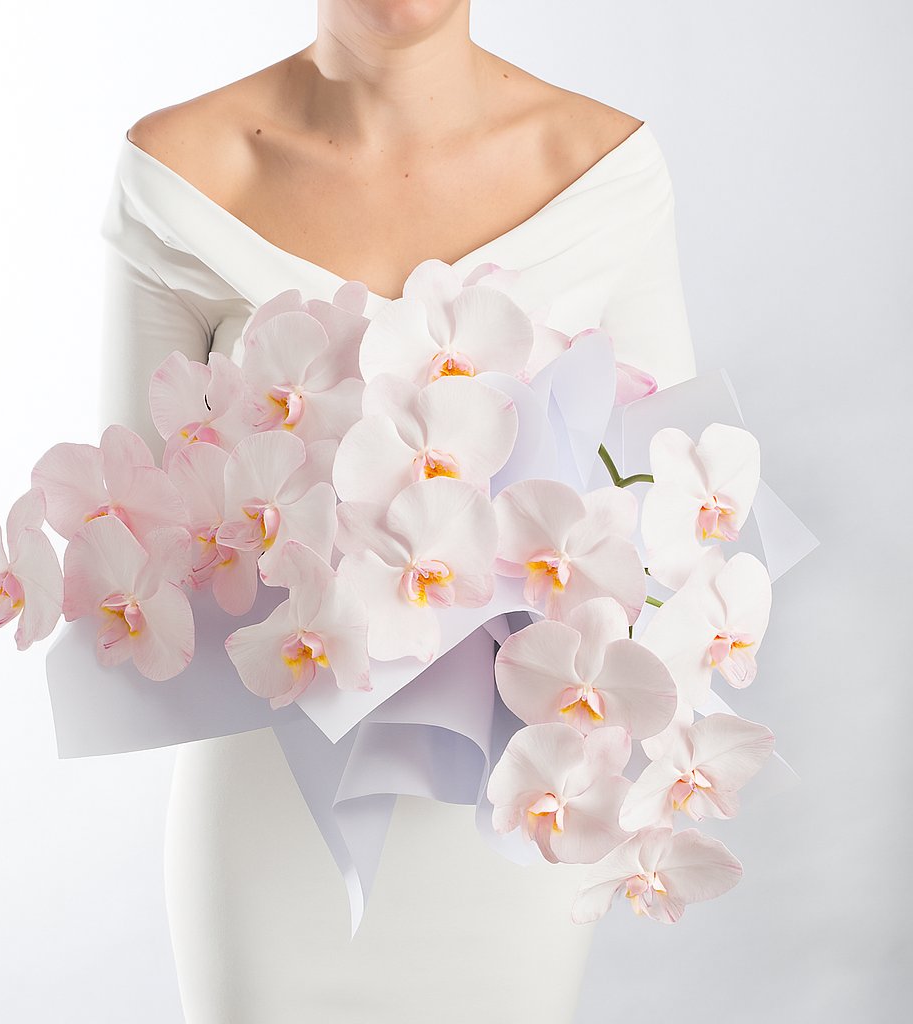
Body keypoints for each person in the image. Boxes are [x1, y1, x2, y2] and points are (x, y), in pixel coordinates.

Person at [101, 2, 696, 1020]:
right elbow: (131, 522)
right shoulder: (181, 174)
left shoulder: (603, 170)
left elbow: (671, 522)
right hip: (271, 787)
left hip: (522, 793)